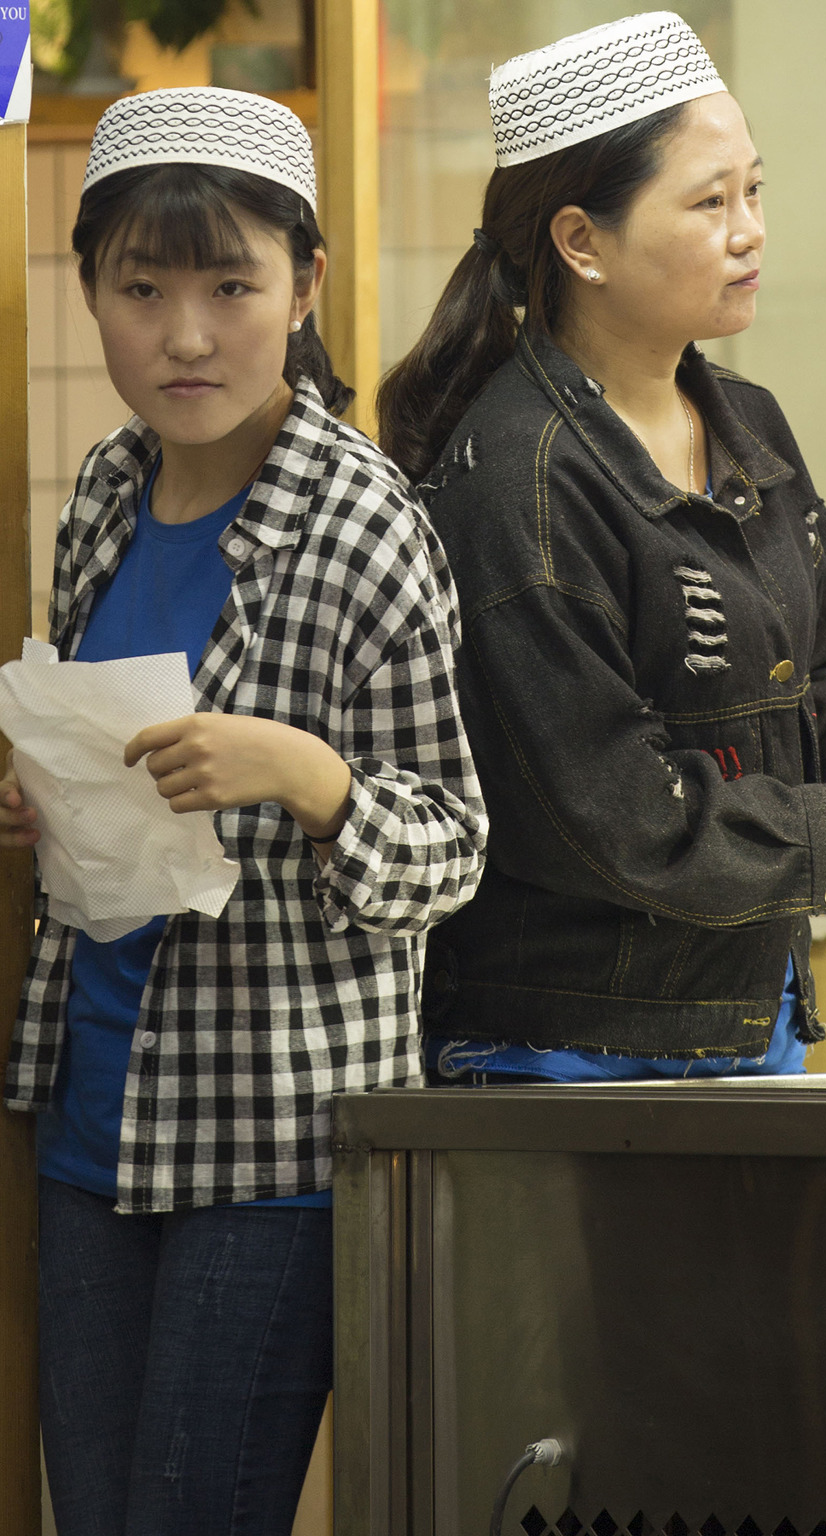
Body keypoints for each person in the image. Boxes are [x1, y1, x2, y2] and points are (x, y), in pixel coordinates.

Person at [0, 87, 485, 1535]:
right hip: (89, 1114)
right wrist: (49, 793)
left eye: (231, 287)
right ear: (91, 289)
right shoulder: (105, 489)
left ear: (306, 284)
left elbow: (452, 845)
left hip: (268, 1144)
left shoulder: (365, 523)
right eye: (142, 290)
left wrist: (310, 777)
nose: (187, 336)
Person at [376, 12, 826, 1084]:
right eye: (710, 203)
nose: (749, 230)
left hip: (744, 1024)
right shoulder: (518, 481)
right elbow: (610, 813)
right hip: (561, 1058)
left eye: (754, 191)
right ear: (581, 243)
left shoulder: (746, 423)